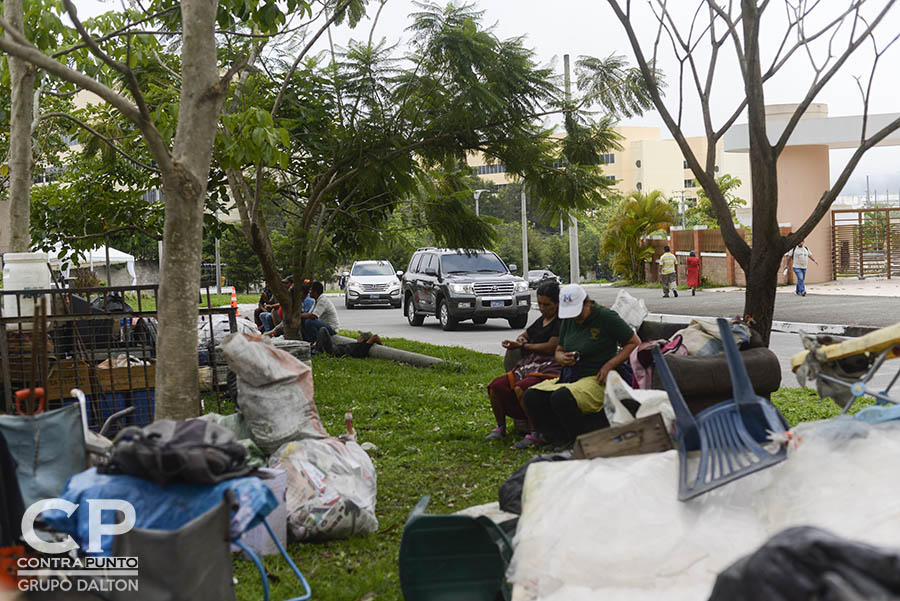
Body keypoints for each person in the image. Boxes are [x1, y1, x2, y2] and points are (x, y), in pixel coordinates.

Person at [522, 284, 640, 448]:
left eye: (578, 313)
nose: (575, 318)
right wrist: (562, 358)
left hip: (597, 376)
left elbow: (634, 343)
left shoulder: (606, 317)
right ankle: (555, 437)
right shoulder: (568, 320)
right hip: (571, 375)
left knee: (562, 397)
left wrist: (609, 365)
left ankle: (578, 441)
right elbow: (558, 350)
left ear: (587, 303)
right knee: (532, 395)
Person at [483, 282, 562, 444]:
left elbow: (550, 347)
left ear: (557, 303)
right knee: (496, 386)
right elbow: (525, 334)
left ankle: (535, 431)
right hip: (528, 365)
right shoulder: (541, 320)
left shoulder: (561, 321)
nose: (542, 308)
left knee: (522, 388)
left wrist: (523, 345)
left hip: (550, 366)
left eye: (547, 305)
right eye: (539, 304)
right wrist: (521, 339)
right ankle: (500, 427)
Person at [317, 328, 382, 358]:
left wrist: (381, 346)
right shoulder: (359, 345)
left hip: (336, 351)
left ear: (364, 339)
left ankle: (317, 351)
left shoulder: (363, 347)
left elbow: (375, 337)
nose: (358, 337)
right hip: (335, 348)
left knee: (323, 330)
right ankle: (315, 349)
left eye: (361, 336)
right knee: (322, 335)